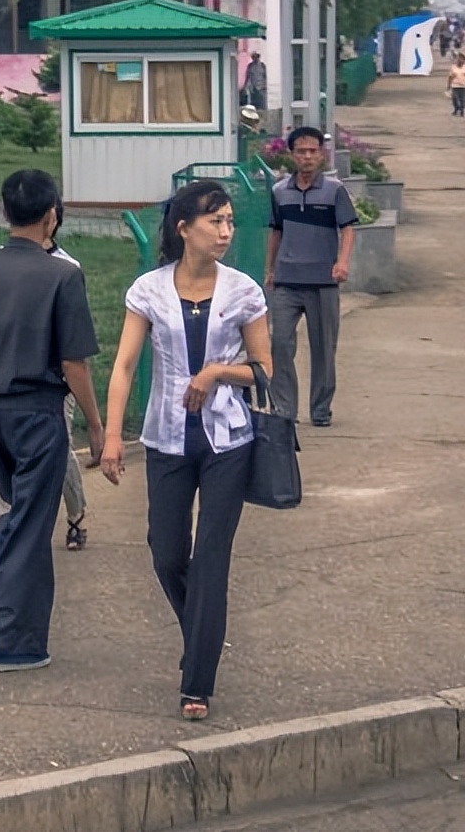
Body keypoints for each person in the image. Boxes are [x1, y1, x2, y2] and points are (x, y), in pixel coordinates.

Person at [100, 180, 271, 721]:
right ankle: (201, 631)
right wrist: (111, 435)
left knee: (211, 558)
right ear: (184, 229)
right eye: (215, 221)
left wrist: (217, 371)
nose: (226, 232)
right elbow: (124, 365)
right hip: (167, 439)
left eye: (229, 221)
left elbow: (264, 370)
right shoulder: (148, 290)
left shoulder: (244, 291)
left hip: (228, 440)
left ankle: (196, 680)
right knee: (167, 552)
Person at [0, 170, 105, 673]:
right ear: (52, 215)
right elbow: (74, 364)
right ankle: (10, 640)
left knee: (17, 515)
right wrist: (96, 424)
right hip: (38, 413)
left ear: (4, 212)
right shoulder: (62, 275)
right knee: (32, 525)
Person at [265, 126, 358, 426]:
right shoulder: (280, 191)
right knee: (280, 344)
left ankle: (320, 411)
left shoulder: (334, 190)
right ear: (292, 155)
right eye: (301, 151)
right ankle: (284, 411)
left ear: (321, 154)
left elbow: (347, 229)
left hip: (323, 282)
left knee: (323, 350)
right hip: (287, 280)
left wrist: (342, 262)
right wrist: (270, 269)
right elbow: (276, 231)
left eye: (312, 151)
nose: (307, 157)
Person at [45, 201, 93, 549]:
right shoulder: (4, 261)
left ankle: (76, 515)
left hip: (56, 380)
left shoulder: (67, 268)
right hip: (9, 377)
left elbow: (74, 341)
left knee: (59, 451)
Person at [447, 52, 465, 117]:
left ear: (464, 60)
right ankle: (456, 109)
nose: (459, 60)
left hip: (463, 86)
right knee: (455, 98)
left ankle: (462, 110)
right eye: (458, 59)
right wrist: (448, 86)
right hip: (455, 85)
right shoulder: (453, 67)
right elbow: (450, 77)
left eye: (461, 59)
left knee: (463, 99)